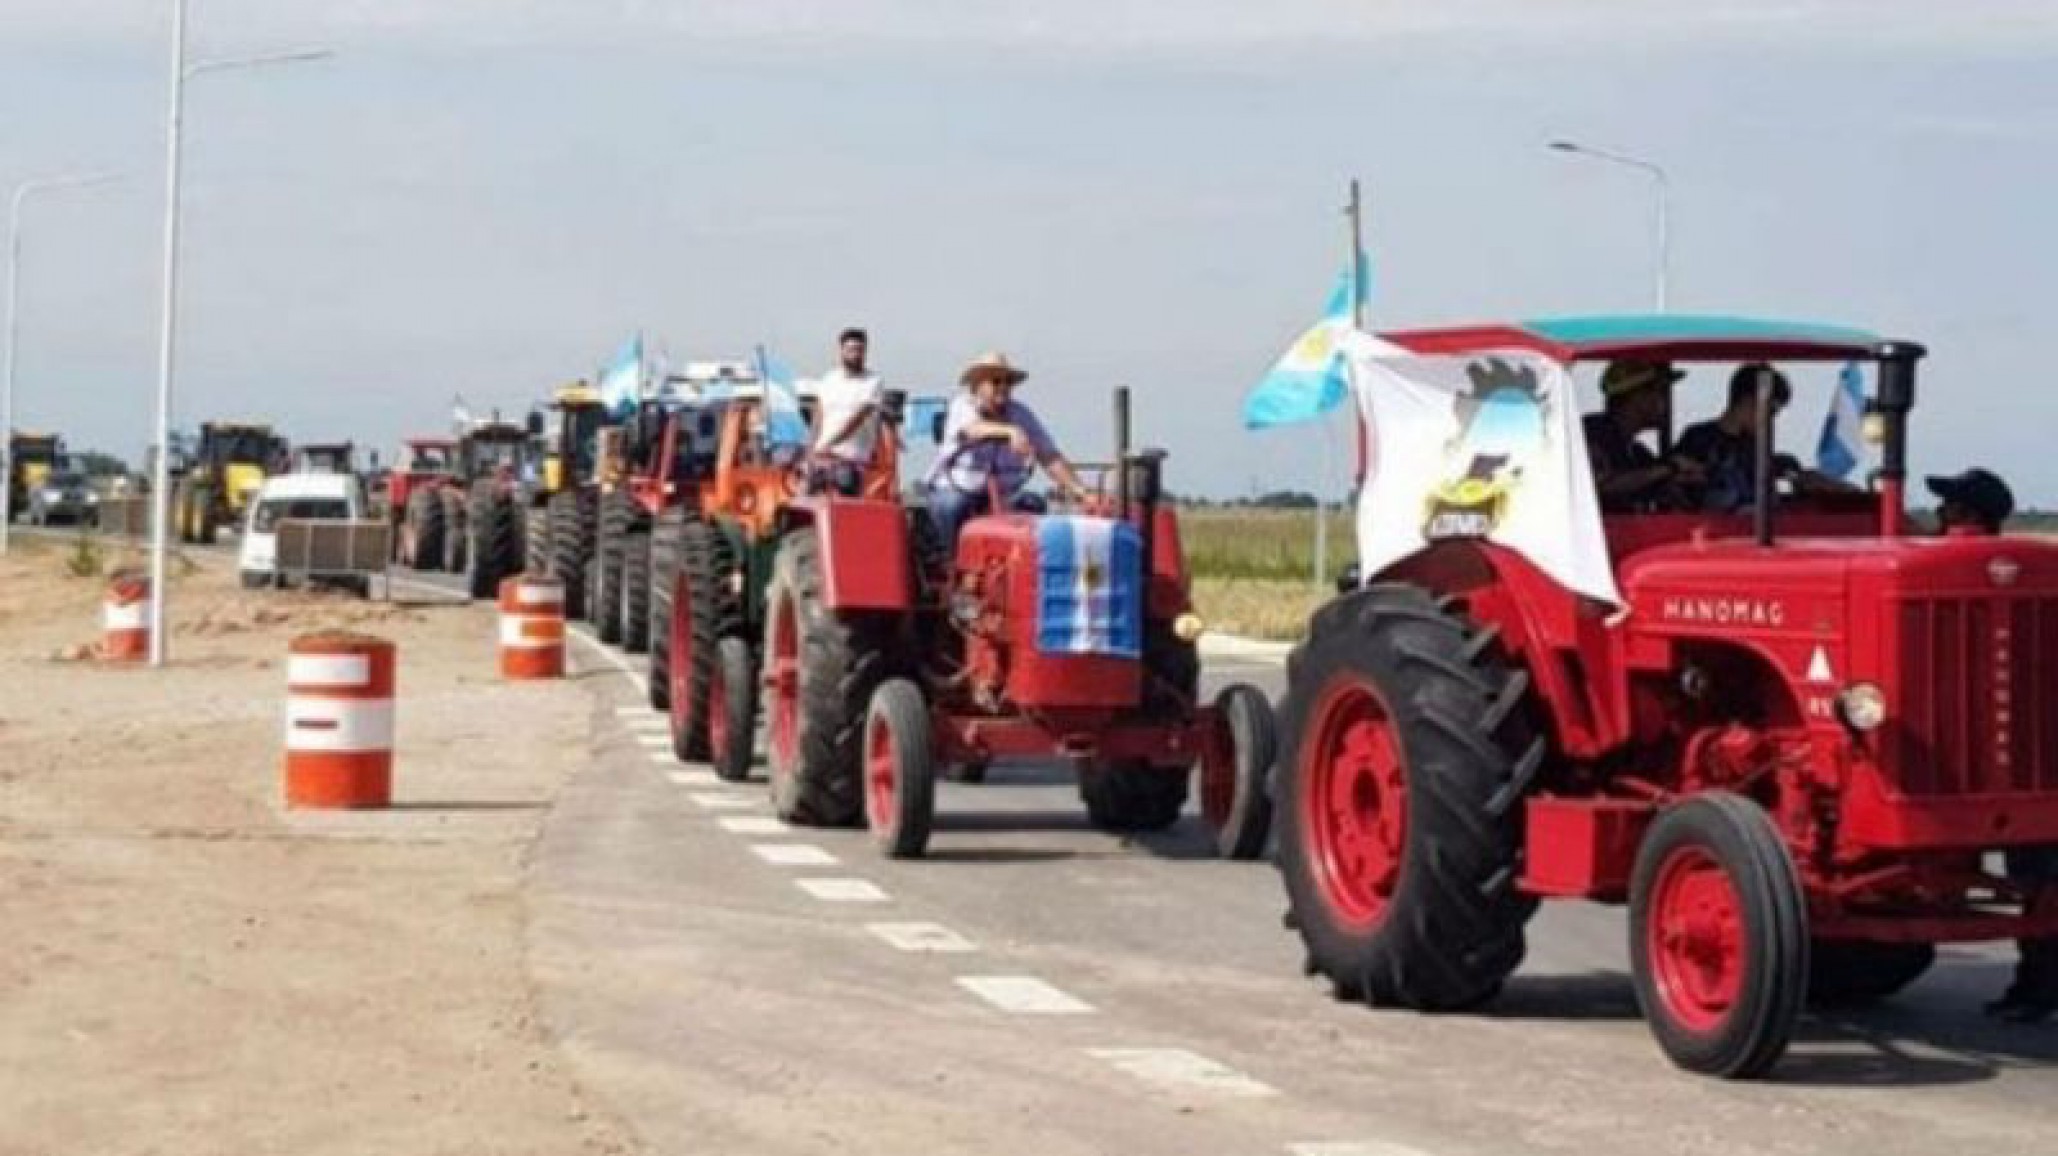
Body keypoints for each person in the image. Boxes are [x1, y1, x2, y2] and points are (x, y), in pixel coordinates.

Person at [1927, 468, 2058, 1022]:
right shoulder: (2032, 568)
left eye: (1947, 508)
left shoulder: (1949, 570)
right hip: (2030, 752)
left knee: (2038, 875)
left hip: (1984, 755)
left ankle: (2037, 987)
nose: (1939, 519)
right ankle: (2037, 983)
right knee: (2040, 873)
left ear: (1963, 516)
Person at [923, 351, 1087, 546]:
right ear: (977, 385)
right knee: (950, 506)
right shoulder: (961, 407)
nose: (1003, 387)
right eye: (996, 381)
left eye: (1008, 382)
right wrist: (1010, 432)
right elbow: (973, 430)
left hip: (1003, 493)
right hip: (959, 488)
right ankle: (951, 566)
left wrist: (1080, 491)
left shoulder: (1021, 414)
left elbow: (1049, 456)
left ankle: (1026, 566)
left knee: (1032, 504)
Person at [1583, 360, 1701, 512]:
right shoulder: (1589, 433)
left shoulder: (1639, 453)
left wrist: (1684, 480)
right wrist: (1670, 468)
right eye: (1660, 392)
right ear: (1637, 398)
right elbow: (1600, 485)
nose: (1665, 402)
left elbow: (1669, 494)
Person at [811, 327, 882, 494]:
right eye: (851, 350)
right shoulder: (829, 380)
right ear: (841, 351)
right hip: (823, 458)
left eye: (860, 350)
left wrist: (831, 443)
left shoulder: (873, 382)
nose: (856, 355)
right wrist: (812, 449)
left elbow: (858, 417)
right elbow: (818, 416)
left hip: (852, 460)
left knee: (845, 484)